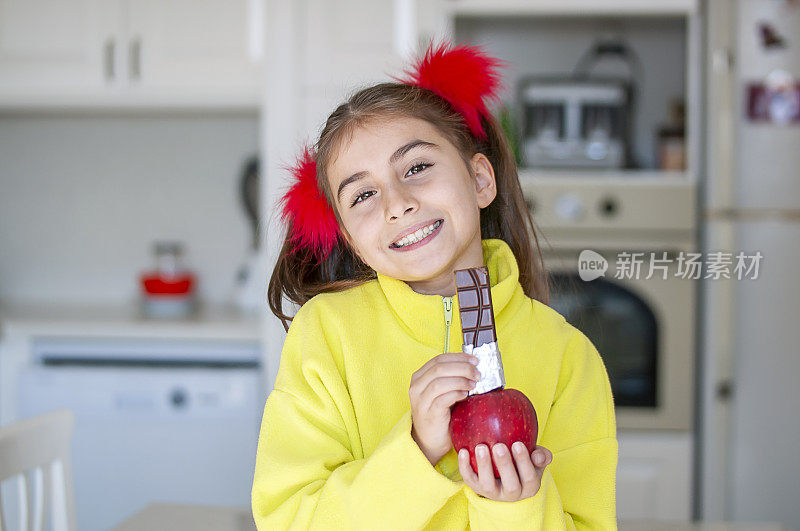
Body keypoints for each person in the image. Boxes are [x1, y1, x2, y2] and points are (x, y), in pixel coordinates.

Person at [252, 40, 617, 530]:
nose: (397, 203)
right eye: (362, 194)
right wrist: (416, 452)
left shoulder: (567, 356)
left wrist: (513, 507)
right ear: (350, 239)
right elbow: (288, 521)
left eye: (417, 167)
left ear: (480, 179)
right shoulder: (327, 336)